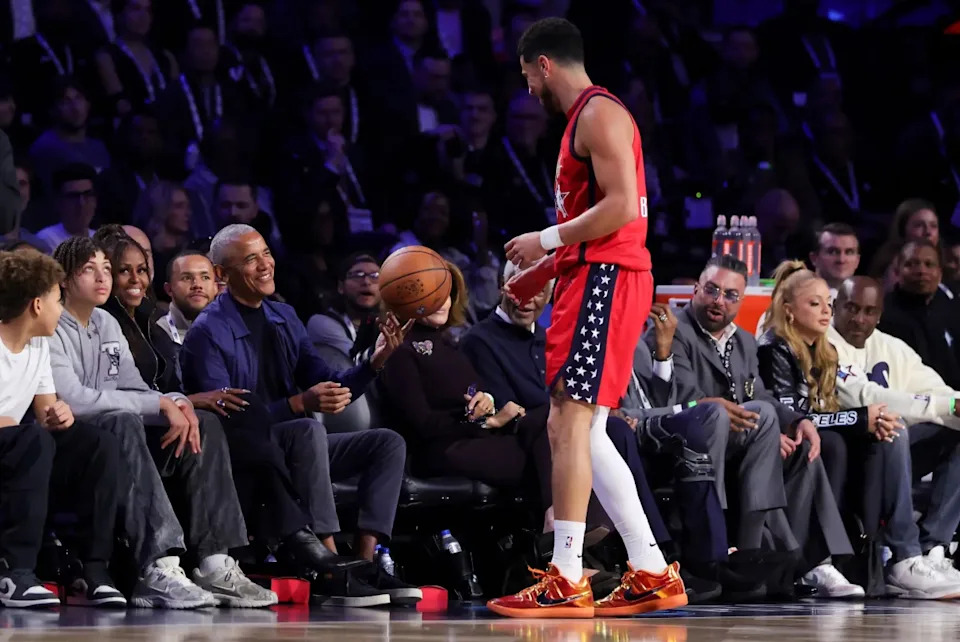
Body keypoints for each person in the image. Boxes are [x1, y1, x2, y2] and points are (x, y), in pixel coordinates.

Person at [489, 18, 686, 618]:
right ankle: (650, 569)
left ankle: (567, 576)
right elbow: (599, 225)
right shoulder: (588, 117)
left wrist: (545, 240)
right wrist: (545, 270)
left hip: (608, 278)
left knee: (568, 420)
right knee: (584, 428)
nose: (528, 89)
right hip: (594, 274)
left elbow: (622, 209)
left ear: (544, 64)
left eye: (527, 76)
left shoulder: (599, 113)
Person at [179, 224, 421, 605]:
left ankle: (363, 564)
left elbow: (328, 384)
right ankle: (329, 565)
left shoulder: (284, 316)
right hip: (249, 456)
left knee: (387, 444)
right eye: (251, 259)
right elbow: (229, 416)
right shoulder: (207, 332)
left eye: (266, 253)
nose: (265, 265)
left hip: (297, 447)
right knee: (307, 430)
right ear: (223, 274)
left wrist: (374, 362)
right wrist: (297, 404)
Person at [47, 236, 275, 609]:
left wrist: (178, 404)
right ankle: (158, 566)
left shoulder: (106, 322)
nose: (102, 278)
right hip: (75, 445)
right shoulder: (51, 323)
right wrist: (159, 403)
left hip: (120, 438)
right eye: (89, 270)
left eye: (106, 269)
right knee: (123, 421)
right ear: (65, 278)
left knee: (203, 421)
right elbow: (75, 400)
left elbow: (134, 386)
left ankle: (215, 562)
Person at [668, 254, 858, 596]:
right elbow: (684, 397)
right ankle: (754, 551)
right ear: (696, 289)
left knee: (805, 446)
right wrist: (764, 428)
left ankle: (804, 564)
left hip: (746, 438)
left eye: (730, 295)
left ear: (741, 300)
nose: (719, 301)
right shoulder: (676, 332)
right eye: (712, 290)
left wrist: (798, 421)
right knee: (765, 417)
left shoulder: (742, 340)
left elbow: (762, 393)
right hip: (699, 438)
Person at [757, 262, 924, 598]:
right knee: (833, 444)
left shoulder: (826, 352)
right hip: (781, 441)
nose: (826, 311)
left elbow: (828, 410)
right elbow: (797, 417)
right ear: (789, 311)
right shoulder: (774, 349)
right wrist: (860, 418)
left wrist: (870, 422)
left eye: (828, 304)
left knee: (884, 436)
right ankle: (817, 561)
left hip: (820, 435)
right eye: (814, 303)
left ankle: (880, 557)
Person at [0, 249, 124, 608]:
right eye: (57, 300)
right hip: (14, 445)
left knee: (97, 443)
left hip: (19, 446)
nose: (61, 308)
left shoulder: (39, 343)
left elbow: (45, 413)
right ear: (37, 305)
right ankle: (14, 571)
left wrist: (61, 414)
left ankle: (95, 567)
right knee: (31, 440)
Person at [379, 262, 550, 501]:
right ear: (405, 298)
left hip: (475, 438)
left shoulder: (447, 343)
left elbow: (475, 392)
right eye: (431, 293)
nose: (442, 301)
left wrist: (487, 402)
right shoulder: (399, 349)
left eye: (446, 293)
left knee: (549, 417)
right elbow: (421, 424)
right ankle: (555, 517)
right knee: (547, 455)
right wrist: (485, 421)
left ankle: (555, 516)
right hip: (440, 450)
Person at [830, 276, 960, 585]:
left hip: (894, 450)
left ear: (879, 315)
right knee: (892, 427)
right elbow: (864, 396)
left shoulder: (893, 348)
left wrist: (955, 404)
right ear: (835, 306)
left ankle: (932, 549)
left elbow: (938, 391)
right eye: (851, 308)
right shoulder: (826, 345)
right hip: (850, 449)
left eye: (869, 311)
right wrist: (946, 405)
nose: (859, 319)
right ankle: (905, 557)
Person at [879, 240, 960, 390]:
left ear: (940, 273)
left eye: (929, 264)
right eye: (911, 264)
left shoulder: (952, 309)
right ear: (897, 271)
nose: (921, 271)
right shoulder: (883, 315)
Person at [34, 163, 97, 253]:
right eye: (73, 196)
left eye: (87, 195)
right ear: (58, 202)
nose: (81, 203)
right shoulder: (45, 240)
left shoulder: (99, 239)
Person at [809, 223, 861, 294]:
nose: (841, 260)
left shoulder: (864, 296)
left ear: (857, 261)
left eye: (849, 252)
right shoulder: (798, 295)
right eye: (833, 252)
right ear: (814, 258)